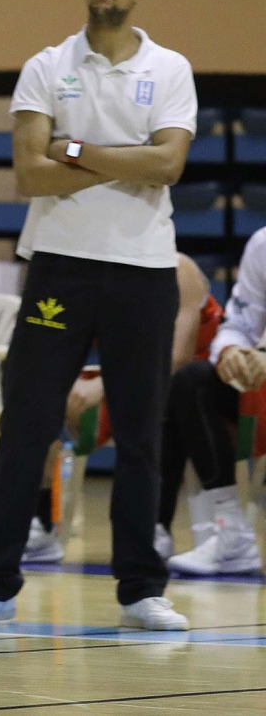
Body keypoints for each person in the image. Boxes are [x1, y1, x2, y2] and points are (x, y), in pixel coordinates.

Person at [0, 0, 197, 631]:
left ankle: (141, 589)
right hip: (59, 269)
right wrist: (127, 158)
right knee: (27, 425)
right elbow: (28, 173)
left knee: (140, 433)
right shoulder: (46, 67)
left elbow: (168, 167)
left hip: (143, 271)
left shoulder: (170, 69)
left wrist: (74, 148)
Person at [20, 252, 218, 565]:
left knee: (166, 399)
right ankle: (42, 523)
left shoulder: (180, 270)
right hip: (122, 376)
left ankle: (156, 526)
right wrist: (66, 383)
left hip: (193, 390)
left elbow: (178, 357)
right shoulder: (91, 272)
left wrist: (102, 386)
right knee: (42, 399)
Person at [163, 226, 266, 575]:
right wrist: (232, 350)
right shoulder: (262, 244)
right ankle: (231, 533)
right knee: (190, 382)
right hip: (260, 390)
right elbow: (238, 322)